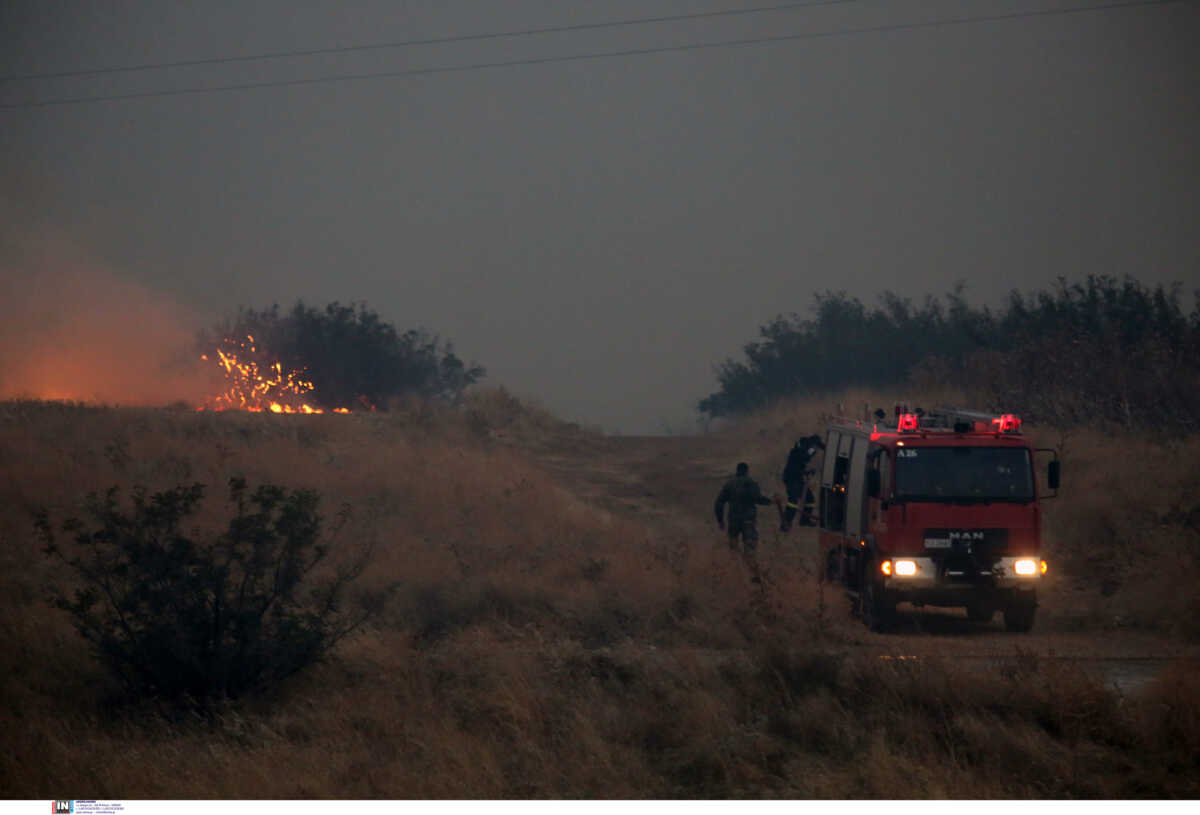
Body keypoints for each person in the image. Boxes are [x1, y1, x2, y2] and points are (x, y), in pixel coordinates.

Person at [714, 462, 774, 557]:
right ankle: (749, 568)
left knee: (733, 548)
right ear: (747, 471)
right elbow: (758, 498)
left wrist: (720, 521)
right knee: (750, 547)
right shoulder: (750, 483)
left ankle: (735, 567)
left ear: (737, 471)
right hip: (748, 520)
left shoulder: (729, 484)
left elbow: (719, 503)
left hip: (733, 521)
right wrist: (770, 501)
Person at [781, 434, 825, 531]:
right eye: (815, 448)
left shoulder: (805, 448)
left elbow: (802, 462)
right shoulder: (801, 451)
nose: (814, 451)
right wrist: (805, 471)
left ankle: (804, 520)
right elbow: (795, 467)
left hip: (797, 478)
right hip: (792, 478)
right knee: (793, 501)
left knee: (810, 500)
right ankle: (786, 523)